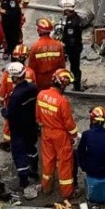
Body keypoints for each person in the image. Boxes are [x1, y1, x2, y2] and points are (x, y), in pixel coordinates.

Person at [36, 69, 79, 200]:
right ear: (63, 84)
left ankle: (46, 187)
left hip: (46, 133)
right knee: (65, 162)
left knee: (48, 160)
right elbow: (69, 124)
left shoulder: (41, 94)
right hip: (60, 135)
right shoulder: (62, 101)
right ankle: (67, 192)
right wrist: (75, 135)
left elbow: (38, 117)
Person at [3, 62, 40, 200]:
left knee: (19, 153)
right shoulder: (33, 88)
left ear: (15, 78)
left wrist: (4, 112)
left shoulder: (16, 95)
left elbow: (11, 114)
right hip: (31, 125)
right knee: (31, 148)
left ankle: (24, 181)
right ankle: (34, 172)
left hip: (18, 128)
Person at [0, 45, 35, 151]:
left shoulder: (7, 73)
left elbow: (2, 89)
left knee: (9, 123)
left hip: (10, 102)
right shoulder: (30, 72)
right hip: (25, 103)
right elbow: (33, 87)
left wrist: (1, 101)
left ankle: (7, 143)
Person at [29, 18, 65, 90]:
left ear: (39, 31)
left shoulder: (35, 47)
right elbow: (62, 66)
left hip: (40, 81)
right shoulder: (59, 46)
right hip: (55, 79)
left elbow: (31, 68)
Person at [60, 0, 85, 92]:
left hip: (73, 49)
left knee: (74, 68)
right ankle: (76, 85)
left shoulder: (71, 22)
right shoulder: (75, 18)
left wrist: (65, 49)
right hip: (76, 47)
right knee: (75, 67)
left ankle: (76, 87)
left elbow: (71, 39)